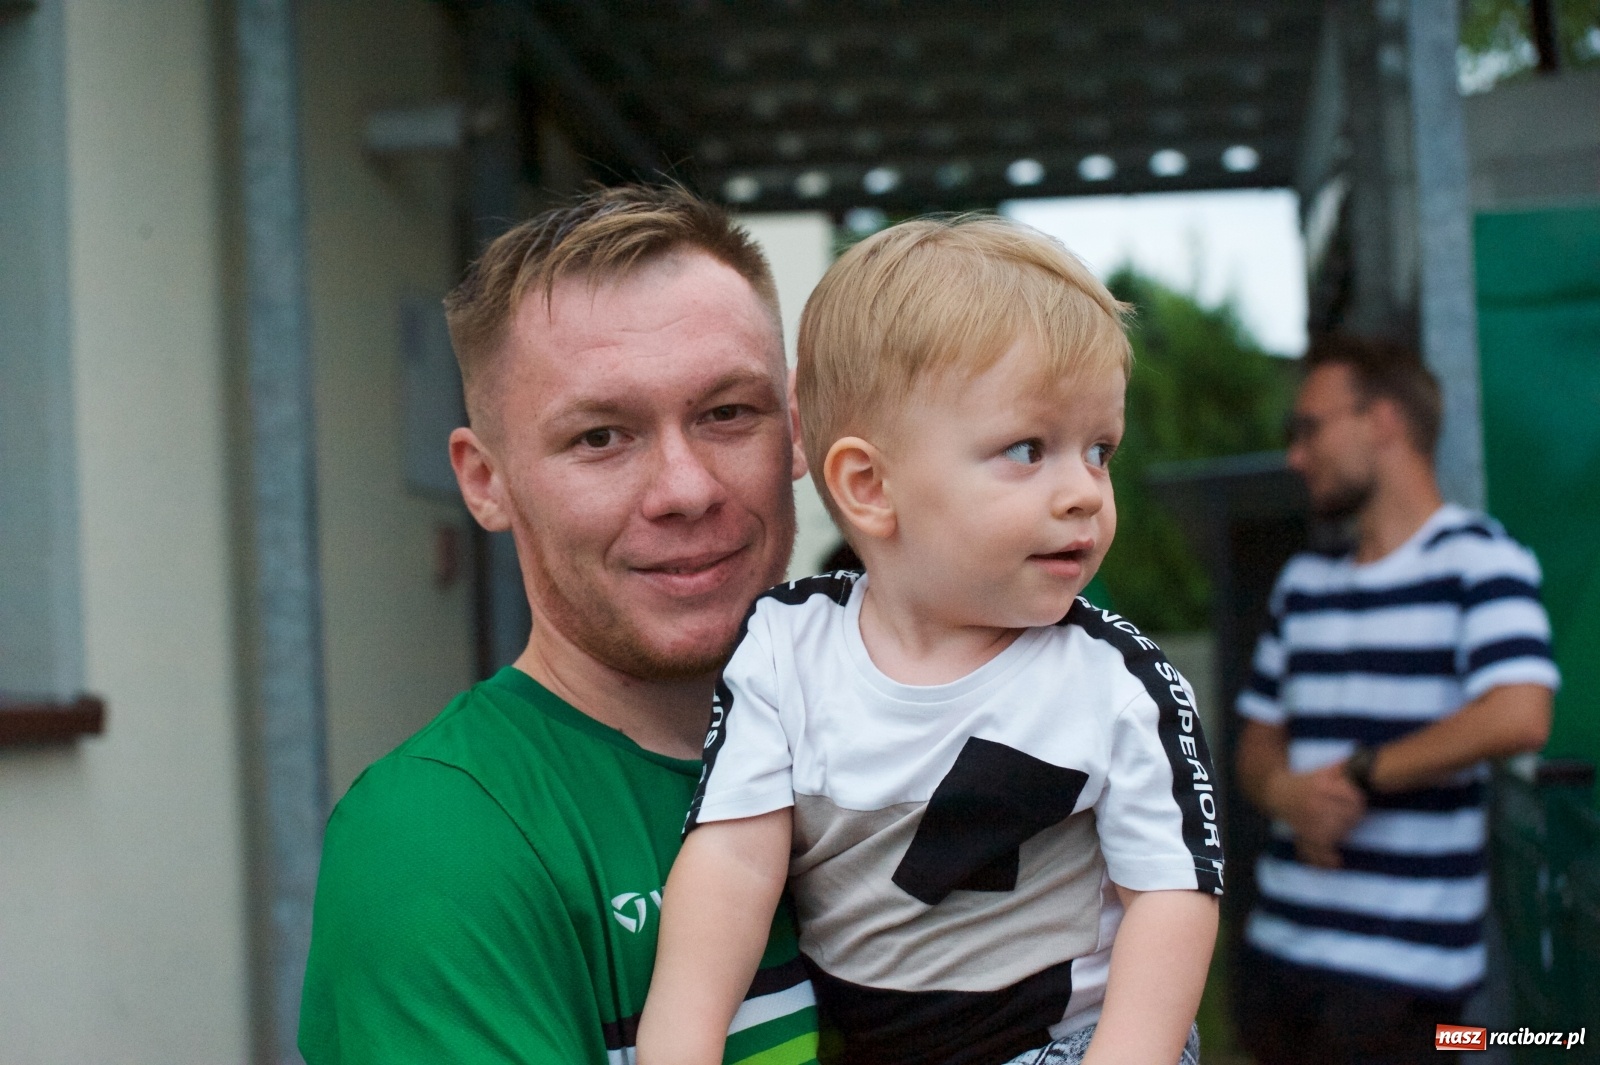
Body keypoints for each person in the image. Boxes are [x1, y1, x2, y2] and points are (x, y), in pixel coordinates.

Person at [636, 216, 1223, 1065]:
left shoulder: (1116, 681)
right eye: (1029, 449)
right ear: (870, 486)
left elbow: (1172, 901)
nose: (1084, 493)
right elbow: (731, 866)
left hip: (1069, 1044)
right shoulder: (786, 646)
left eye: (1099, 451)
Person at [297, 185, 820, 1065]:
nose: (685, 488)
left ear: (798, 427)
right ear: (484, 480)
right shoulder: (438, 840)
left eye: (727, 413)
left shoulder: (921, 735)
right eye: (601, 437)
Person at [1232, 334, 1560, 1064]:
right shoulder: (1303, 582)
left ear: (1383, 421)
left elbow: (1521, 710)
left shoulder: (1481, 558)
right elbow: (1256, 743)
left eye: (1309, 427)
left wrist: (1357, 775)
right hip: (1277, 954)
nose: (1295, 454)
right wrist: (1287, 792)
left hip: (1405, 983)